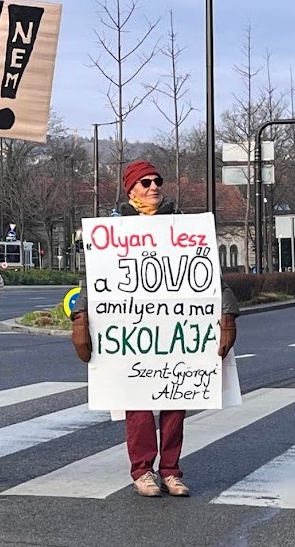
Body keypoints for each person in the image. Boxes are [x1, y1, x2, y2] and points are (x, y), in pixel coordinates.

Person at [71, 160, 239, 497]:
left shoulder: (182, 225)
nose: (153, 187)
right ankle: (143, 470)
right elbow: (95, 278)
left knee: (177, 400)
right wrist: (81, 317)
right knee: (137, 403)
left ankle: (171, 471)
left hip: (174, 331)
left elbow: (210, 274)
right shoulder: (113, 231)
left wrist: (228, 312)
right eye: (145, 182)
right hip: (131, 333)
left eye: (156, 181)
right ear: (130, 189)